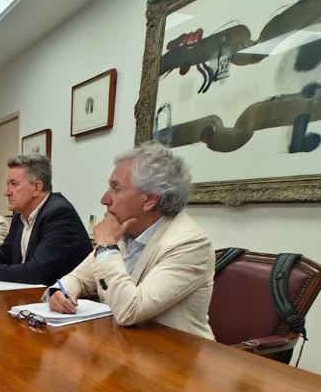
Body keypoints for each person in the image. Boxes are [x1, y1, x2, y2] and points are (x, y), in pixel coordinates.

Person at [49, 141, 215, 339]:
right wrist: (59, 293)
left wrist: (106, 247)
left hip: (175, 353)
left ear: (150, 199)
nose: (104, 199)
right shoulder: (127, 230)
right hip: (126, 345)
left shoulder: (189, 244)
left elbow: (130, 310)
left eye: (116, 189)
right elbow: (76, 278)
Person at [0, 154, 91, 285]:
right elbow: (5, 254)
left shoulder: (59, 213)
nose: (6, 192)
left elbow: (38, 272)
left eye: (14, 184)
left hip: (61, 298)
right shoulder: (20, 215)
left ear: (37, 188)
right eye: (8, 184)